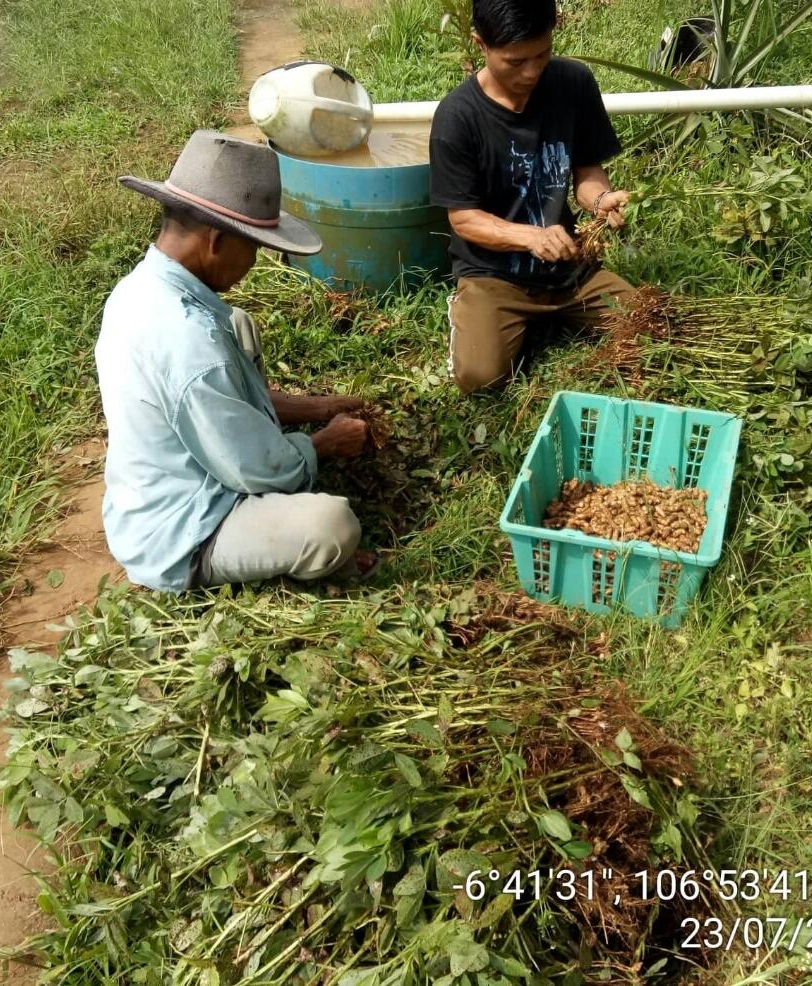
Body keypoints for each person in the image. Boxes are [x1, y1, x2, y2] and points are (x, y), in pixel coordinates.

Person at [96, 130, 374, 593]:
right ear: (216, 242)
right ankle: (215, 563)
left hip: (164, 481)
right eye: (253, 247)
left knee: (239, 323)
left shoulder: (141, 289)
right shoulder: (188, 342)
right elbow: (261, 472)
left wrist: (318, 407)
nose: (254, 263)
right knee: (332, 526)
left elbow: (223, 397)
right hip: (183, 530)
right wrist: (323, 443)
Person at [429, 0, 635, 394]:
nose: (532, 71)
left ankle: (554, 314)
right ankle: (476, 311)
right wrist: (532, 237)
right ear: (480, 44)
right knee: (480, 377)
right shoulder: (457, 117)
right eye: (515, 61)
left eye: (542, 54)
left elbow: (586, 173)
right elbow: (464, 218)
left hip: (570, 267)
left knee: (651, 323)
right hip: (494, 275)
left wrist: (600, 199)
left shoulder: (573, 82)